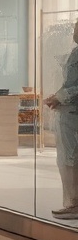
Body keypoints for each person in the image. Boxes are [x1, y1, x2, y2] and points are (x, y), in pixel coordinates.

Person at [44, 19, 78, 220]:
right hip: (69, 111)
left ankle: (73, 203)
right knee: (69, 159)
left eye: (76, 29)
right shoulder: (74, 53)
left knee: (69, 160)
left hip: (72, 113)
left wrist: (61, 97)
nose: (73, 32)